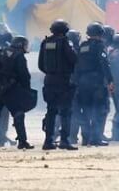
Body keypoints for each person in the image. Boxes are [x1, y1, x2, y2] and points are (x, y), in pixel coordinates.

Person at [0, 36, 35, 150]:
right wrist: (26, 89)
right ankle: (23, 142)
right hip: (10, 89)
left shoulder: (1, 51)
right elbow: (24, 75)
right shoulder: (19, 56)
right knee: (18, 113)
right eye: (24, 44)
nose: (25, 47)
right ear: (20, 45)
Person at [38, 19, 79, 150]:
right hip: (64, 81)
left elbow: (40, 64)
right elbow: (73, 59)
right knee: (66, 112)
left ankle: (48, 141)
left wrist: (51, 72)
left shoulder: (45, 42)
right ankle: (64, 140)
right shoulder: (66, 42)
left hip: (49, 80)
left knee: (51, 111)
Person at [74, 22, 114, 147]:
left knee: (85, 111)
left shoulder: (82, 46)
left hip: (82, 82)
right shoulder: (100, 46)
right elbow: (104, 63)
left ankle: (86, 138)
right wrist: (110, 80)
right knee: (99, 111)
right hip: (96, 82)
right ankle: (96, 138)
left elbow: (77, 65)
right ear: (101, 33)